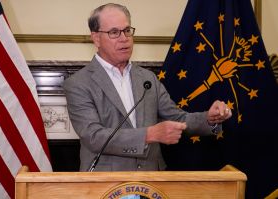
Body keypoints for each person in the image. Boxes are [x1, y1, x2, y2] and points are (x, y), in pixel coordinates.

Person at [63, 3, 232, 172]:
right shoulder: (78, 83)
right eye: (114, 32)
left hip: (151, 181)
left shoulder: (147, 78)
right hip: (106, 183)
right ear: (96, 38)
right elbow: (94, 136)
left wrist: (209, 119)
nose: (124, 38)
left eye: (127, 30)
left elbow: (177, 118)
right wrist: (149, 135)